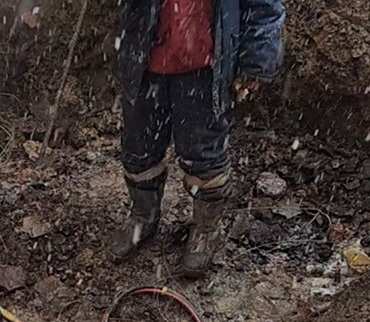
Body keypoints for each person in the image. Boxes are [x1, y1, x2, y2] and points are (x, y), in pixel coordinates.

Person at [110, 0, 286, 276]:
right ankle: (144, 215)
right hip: (145, 58)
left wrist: (256, 62)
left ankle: (206, 228)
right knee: (139, 147)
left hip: (205, 67)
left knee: (203, 152)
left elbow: (264, 7)